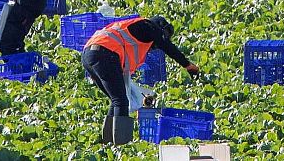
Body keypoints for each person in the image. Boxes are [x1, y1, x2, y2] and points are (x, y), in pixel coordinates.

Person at [82, 16, 200, 145]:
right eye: (164, 34)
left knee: (116, 100)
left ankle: (108, 143)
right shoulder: (149, 26)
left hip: (89, 55)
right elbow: (166, 46)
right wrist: (188, 65)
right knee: (120, 101)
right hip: (104, 54)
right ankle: (122, 146)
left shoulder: (131, 28)